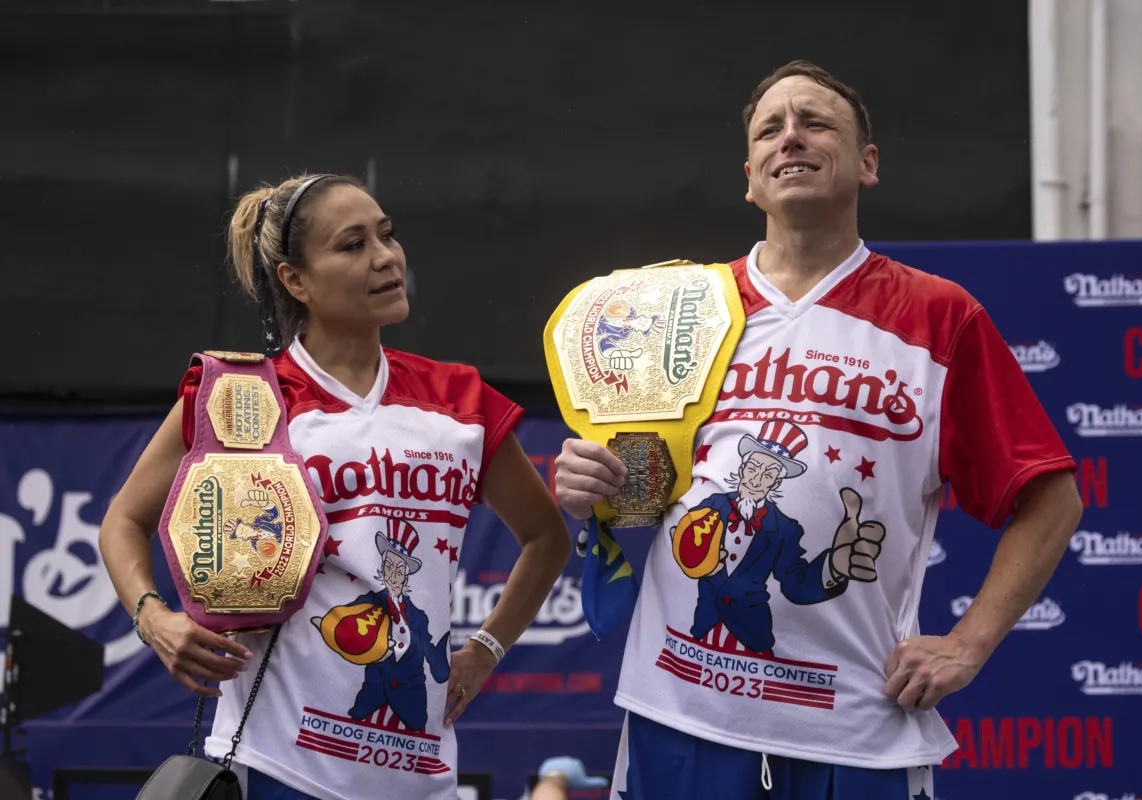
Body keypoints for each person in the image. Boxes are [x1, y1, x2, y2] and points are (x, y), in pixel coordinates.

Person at [553, 61, 1083, 800]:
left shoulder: (940, 317)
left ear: (867, 163)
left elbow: (1051, 498)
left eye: (816, 122)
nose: (791, 136)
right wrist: (593, 487)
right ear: (749, 176)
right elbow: (641, 500)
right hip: (681, 717)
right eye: (770, 128)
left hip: (855, 732)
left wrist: (969, 643)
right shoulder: (680, 311)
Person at [98, 173, 573, 800]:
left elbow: (546, 537)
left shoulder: (459, 399)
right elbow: (121, 523)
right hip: (276, 765)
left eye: (387, 235)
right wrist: (151, 616)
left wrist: (484, 648)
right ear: (295, 280)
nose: (386, 257)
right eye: (352, 245)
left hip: (421, 774)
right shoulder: (243, 396)